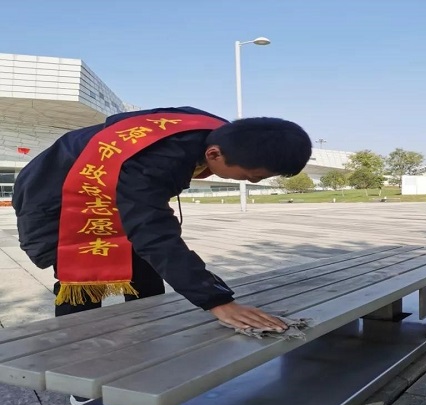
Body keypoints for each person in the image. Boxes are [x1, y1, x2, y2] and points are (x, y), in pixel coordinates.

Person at [13, 106, 312, 329]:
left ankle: (146, 340)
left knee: (145, 273)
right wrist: (218, 301)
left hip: (110, 189)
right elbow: (153, 232)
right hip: (59, 196)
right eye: (251, 177)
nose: (253, 182)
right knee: (83, 281)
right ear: (214, 154)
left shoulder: (221, 134)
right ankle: (76, 363)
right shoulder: (159, 158)